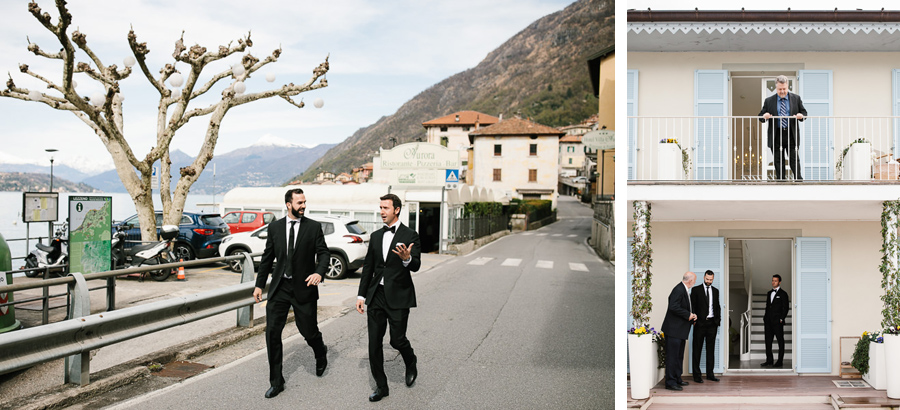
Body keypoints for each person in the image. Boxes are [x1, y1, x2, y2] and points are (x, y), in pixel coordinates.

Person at [252, 188, 330, 399]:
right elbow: (268, 258)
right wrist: (260, 285)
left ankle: (320, 351)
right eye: (299, 203)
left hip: (304, 287)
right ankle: (277, 381)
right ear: (288, 204)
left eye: (304, 202)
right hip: (279, 288)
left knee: (308, 331)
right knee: (272, 333)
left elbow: (324, 254)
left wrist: (319, 273)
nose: (303, 206)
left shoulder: (313, 227)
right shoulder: (275, 227)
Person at [356, 193, 422, 402]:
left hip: (399, 295)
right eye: (380, 207)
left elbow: (416, 265)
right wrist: (361, 295)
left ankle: (410, 361)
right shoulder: (376, 236)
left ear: (397, 210)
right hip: (376, 296)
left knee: (397, 340)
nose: (381, 211)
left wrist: (407, 259)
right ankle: (381, 386)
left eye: (385, 208)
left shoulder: (411, 235)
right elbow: (368, 268)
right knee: (374, 343)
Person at [758, 75, 808, 180]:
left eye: (784, 89)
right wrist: (764, 116)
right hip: (776, 134)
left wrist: (801, 116)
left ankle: (798, 179)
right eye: (780, 89)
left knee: (794, 158)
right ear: (776, 88)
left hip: (791, 133)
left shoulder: (796, 98)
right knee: (778, 159)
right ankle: (781, 180)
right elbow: (760, 117)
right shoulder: (769, 101)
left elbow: (804, 113)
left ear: (787, 87)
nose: (782, 91)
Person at [661, 271, 698, 391]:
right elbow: (673, 306)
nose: (695, 282)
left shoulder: (683, 289)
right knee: (673, 356)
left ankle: (677, 378)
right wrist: (688, 315)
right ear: (690, 281)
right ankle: (670, 382)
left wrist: (691, 315)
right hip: (673, 330)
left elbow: (680, 307)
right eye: (694, 280)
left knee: (679, 356)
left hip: (680, 330)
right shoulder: (679, 289)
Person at [690, 270, 721, 383]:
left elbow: (717, 307)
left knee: (710, 350)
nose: (709, 281)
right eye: (707, 279)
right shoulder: (696, 290)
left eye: (711, 280)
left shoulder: (715, 291)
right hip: (700, 324)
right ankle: (697, 375)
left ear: (713, 278)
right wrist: (694, 320)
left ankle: (710, 374)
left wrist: (718, 321)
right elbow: (692, 306)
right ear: (704, 277)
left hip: (712, 324)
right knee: (697, 350)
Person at [762, 274, 790, 368]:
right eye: (772, 280)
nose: (773, 282)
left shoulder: (783, 294)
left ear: (779, 282)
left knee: (780, 341)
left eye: (775, 281)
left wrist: (781, 319)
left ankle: (780, 361)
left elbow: (786, 308)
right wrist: (765, 318)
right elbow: (768, 306)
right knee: (768, 342)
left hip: (778, 322)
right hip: (768, 322)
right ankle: (769, 360)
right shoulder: (769, 293)